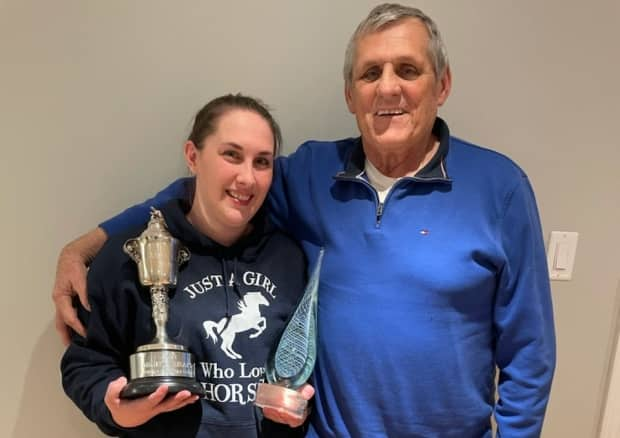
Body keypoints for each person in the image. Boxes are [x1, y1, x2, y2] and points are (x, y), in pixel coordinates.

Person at [54, 4, 556, 437]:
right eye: (370, 73)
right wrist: (88, 245)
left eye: (408, 69)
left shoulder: (500, 188)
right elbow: (204, 190)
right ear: (350, 95)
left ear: (441, 84)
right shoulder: (310, 174)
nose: (388, 88)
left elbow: (529, 352)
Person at [60, 94, 314, 438]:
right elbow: (85, 363)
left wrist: (298, 408)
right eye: (231, 155)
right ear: (193, 157)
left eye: (262, 162)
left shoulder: (289, 259)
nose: (247, 178)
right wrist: (116, 412)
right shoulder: (130, 256)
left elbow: (299, 366)